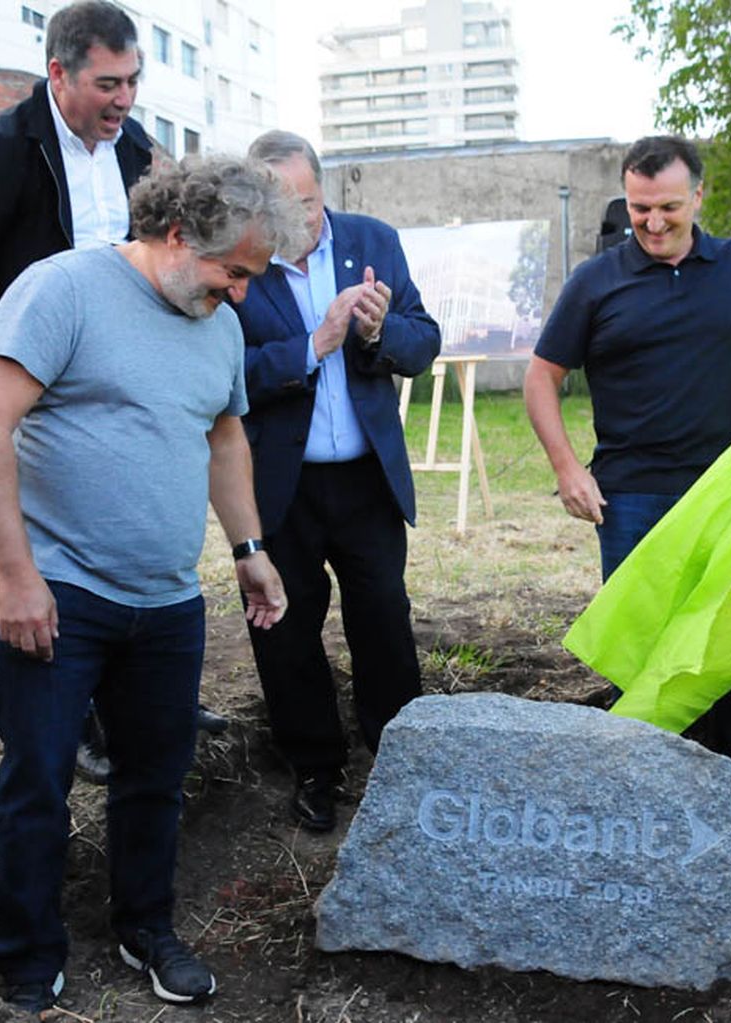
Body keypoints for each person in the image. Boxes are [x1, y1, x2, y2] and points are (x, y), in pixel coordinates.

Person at [0, 155, 302, 1013]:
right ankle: (27, 957)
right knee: (38, 778)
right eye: (236, 271)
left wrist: (248, 543)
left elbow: (224, 440)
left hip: (168, 601)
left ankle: (146, 927)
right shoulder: (63, 290)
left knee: (155, 777)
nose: (244, 294)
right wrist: (15, 575)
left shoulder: (217, 323)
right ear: (179, 236)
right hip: (60, 592)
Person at [0, 0, 229, 782]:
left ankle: (142, 702)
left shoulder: (137, 150)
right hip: (31, 392)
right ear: (58, 73)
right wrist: (22, 358)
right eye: (107, 83)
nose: (124, 100)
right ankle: (56, 721)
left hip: (123, 385)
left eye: (133, 81)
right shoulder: (0, 152)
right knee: (34, 549)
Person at [524, 135, 731, 778]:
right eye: (639, 207)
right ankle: (643, 796)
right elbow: (542, 375)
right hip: (630, 501)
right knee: (641, 656)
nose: (651, 222)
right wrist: (568, 468)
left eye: (669, 208)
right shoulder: (597, 281)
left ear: (699, 196)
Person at [233, 130, 440, 832]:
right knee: (284, 631)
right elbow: (226, 376)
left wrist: (379, 336)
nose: (300, 220)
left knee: (383, 616)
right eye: (282, 208)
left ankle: (397, 757)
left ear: (326, 190)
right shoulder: (239, 260)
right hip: (280, 487)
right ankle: (316, 766)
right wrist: (313, 345)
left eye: (309, 202)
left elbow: (425, 341)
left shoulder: (373, 240)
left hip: (365, 480)